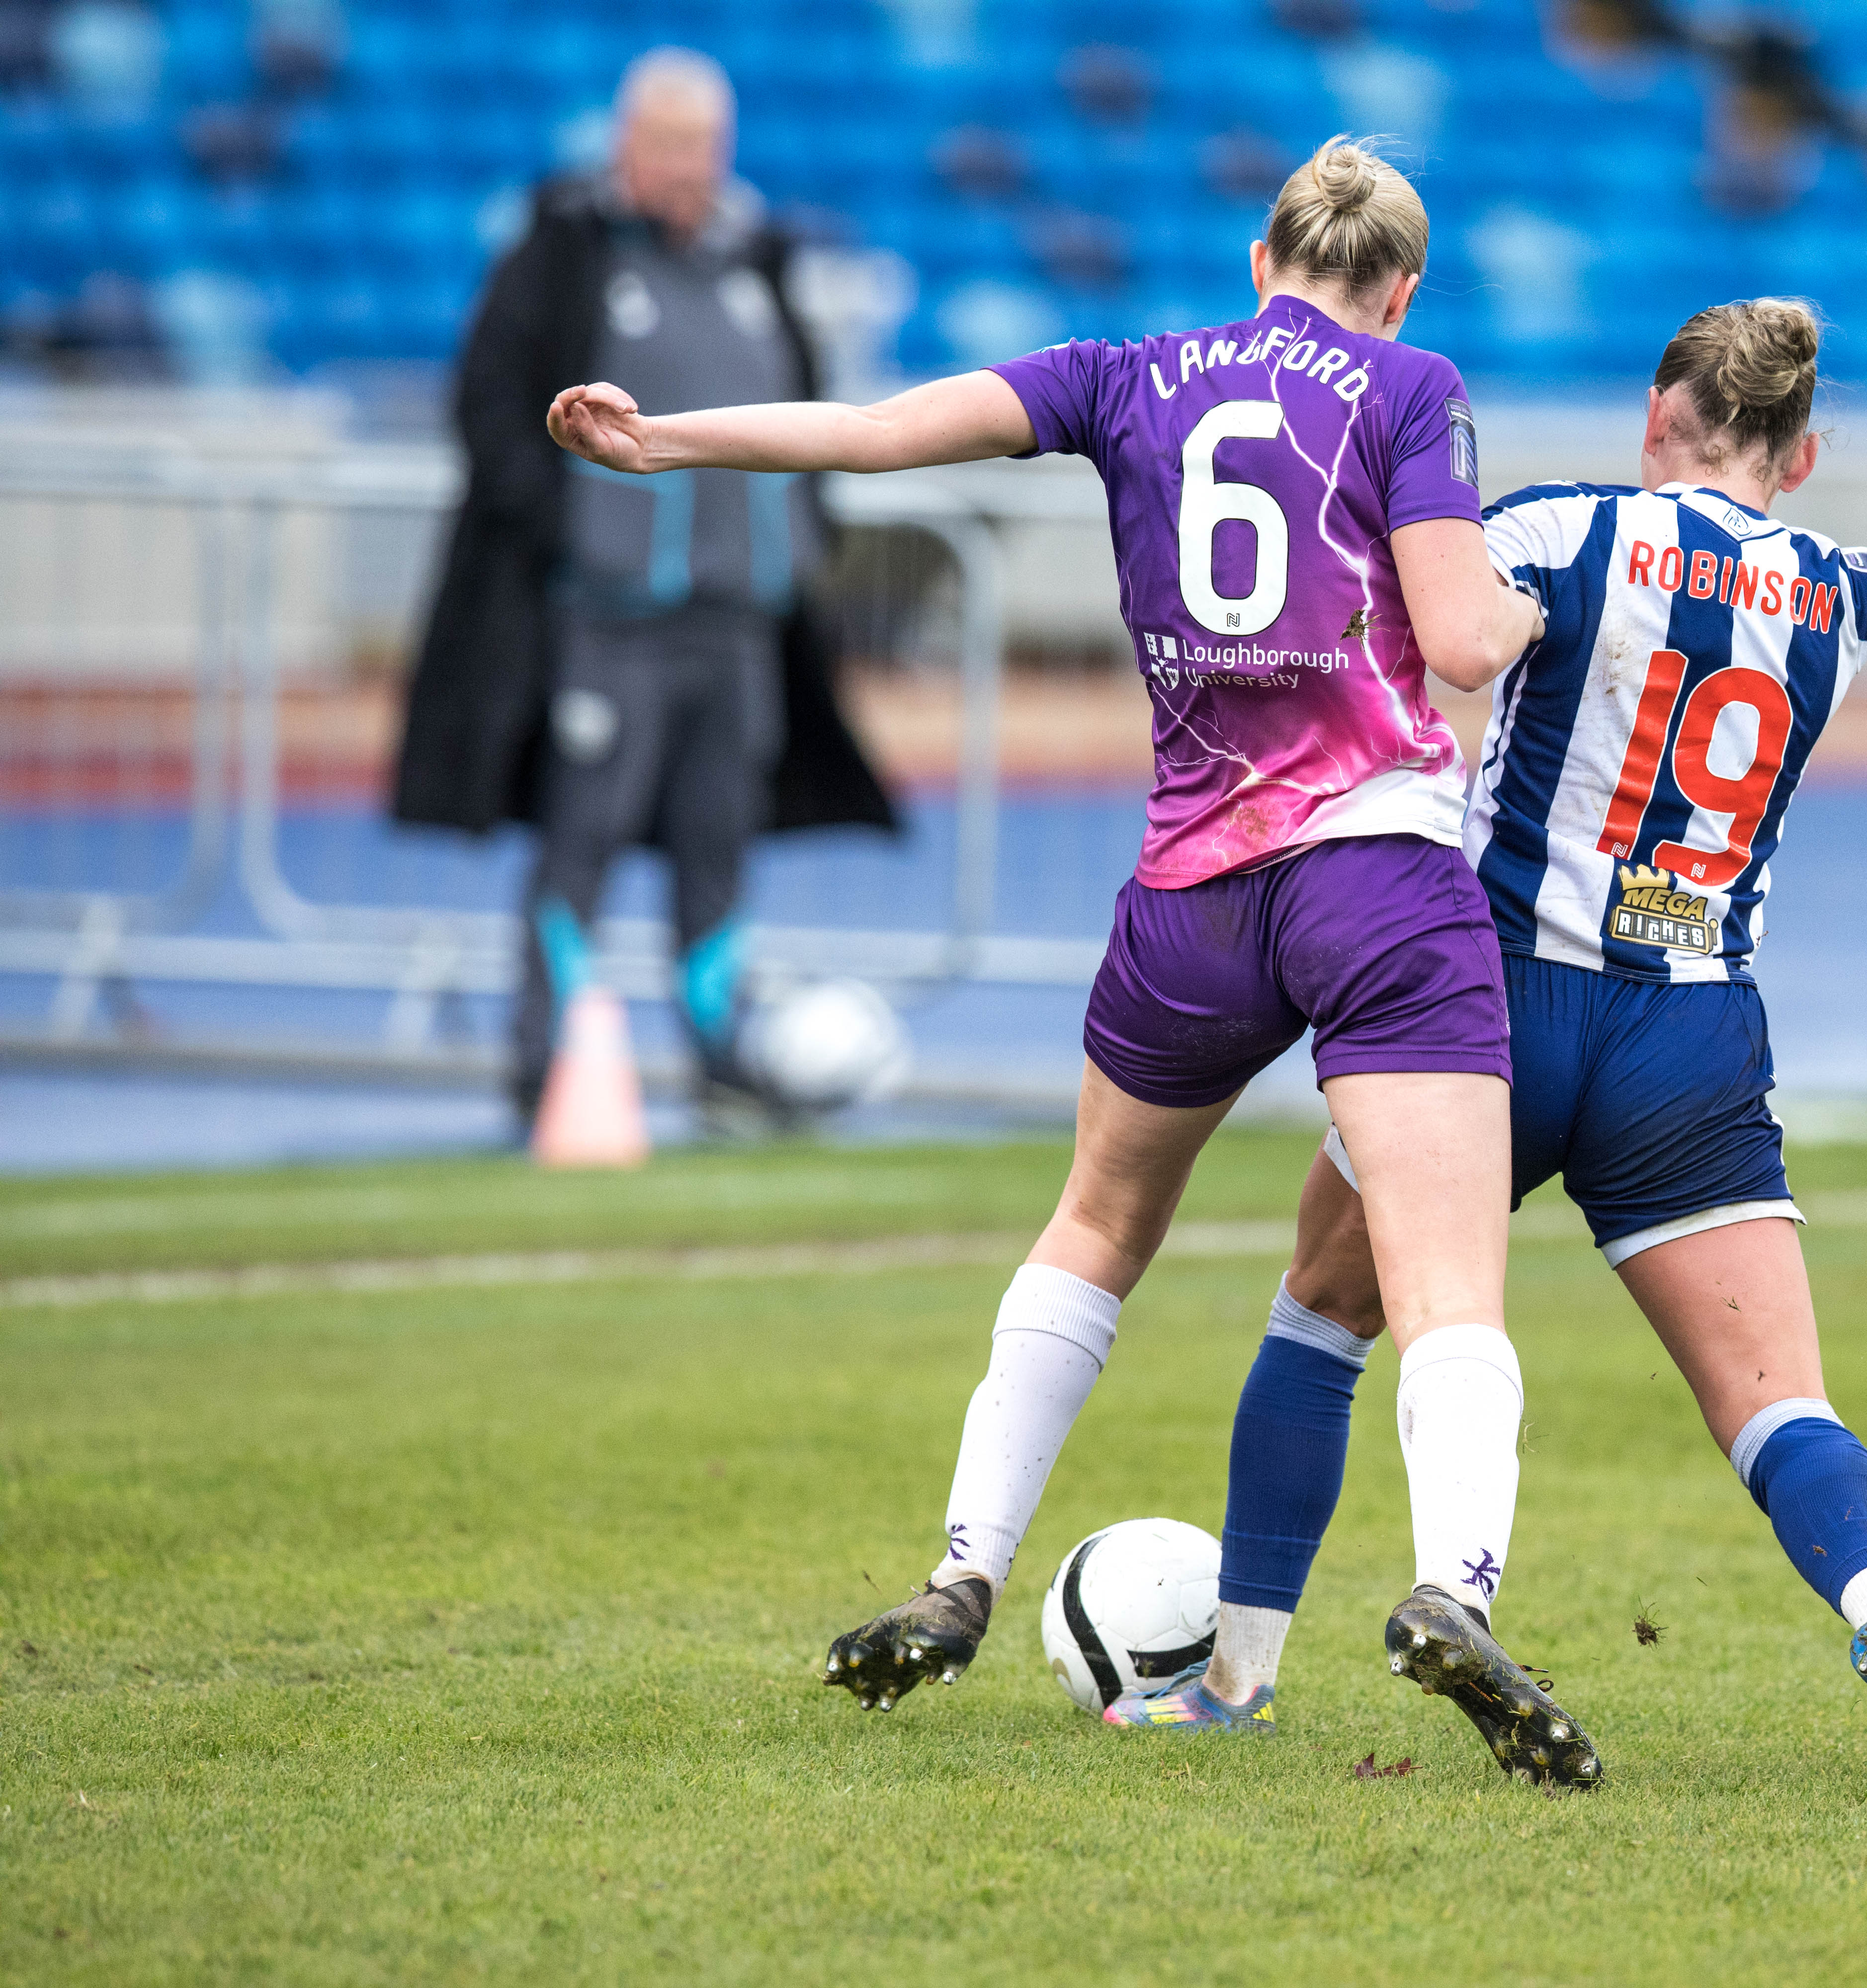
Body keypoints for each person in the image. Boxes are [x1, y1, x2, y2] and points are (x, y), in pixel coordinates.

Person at [545, 138, 1603, 1788]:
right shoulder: (1413, 389)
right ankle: (1452, 1590)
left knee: (1095, 1229)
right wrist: (1540, 609)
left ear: (1259, 262)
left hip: (1190, 899)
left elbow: (881, 432)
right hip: (1379, 886)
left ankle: (965, 1566)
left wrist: (662, 437)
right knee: (1445, 1285)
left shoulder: (1123, 374)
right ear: (1401, 291)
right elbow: (1466, 642)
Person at [1134, 297, 1867, 1796]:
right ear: (1803, 452)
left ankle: (1240, 1678)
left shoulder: (1559, 530)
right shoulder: (1838, 584)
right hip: (1692, 1034)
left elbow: (1434, 620)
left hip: (1492, 1006)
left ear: (1660, 418)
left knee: (1323, 1315)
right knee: (1778, 1403)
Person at [391, 48, 894, 1131]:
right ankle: (549, 1068)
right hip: (606, 624)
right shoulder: (563, 253)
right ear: (626, 144)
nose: (685, 166)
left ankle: (723, 1065)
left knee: (721, 850)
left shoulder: (756, 260)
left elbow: (811, 410)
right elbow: (487, 405)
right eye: (665, 143)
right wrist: (573, 531)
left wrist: (806, 536)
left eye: (702, 145)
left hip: (739, 626)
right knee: (583, 840)